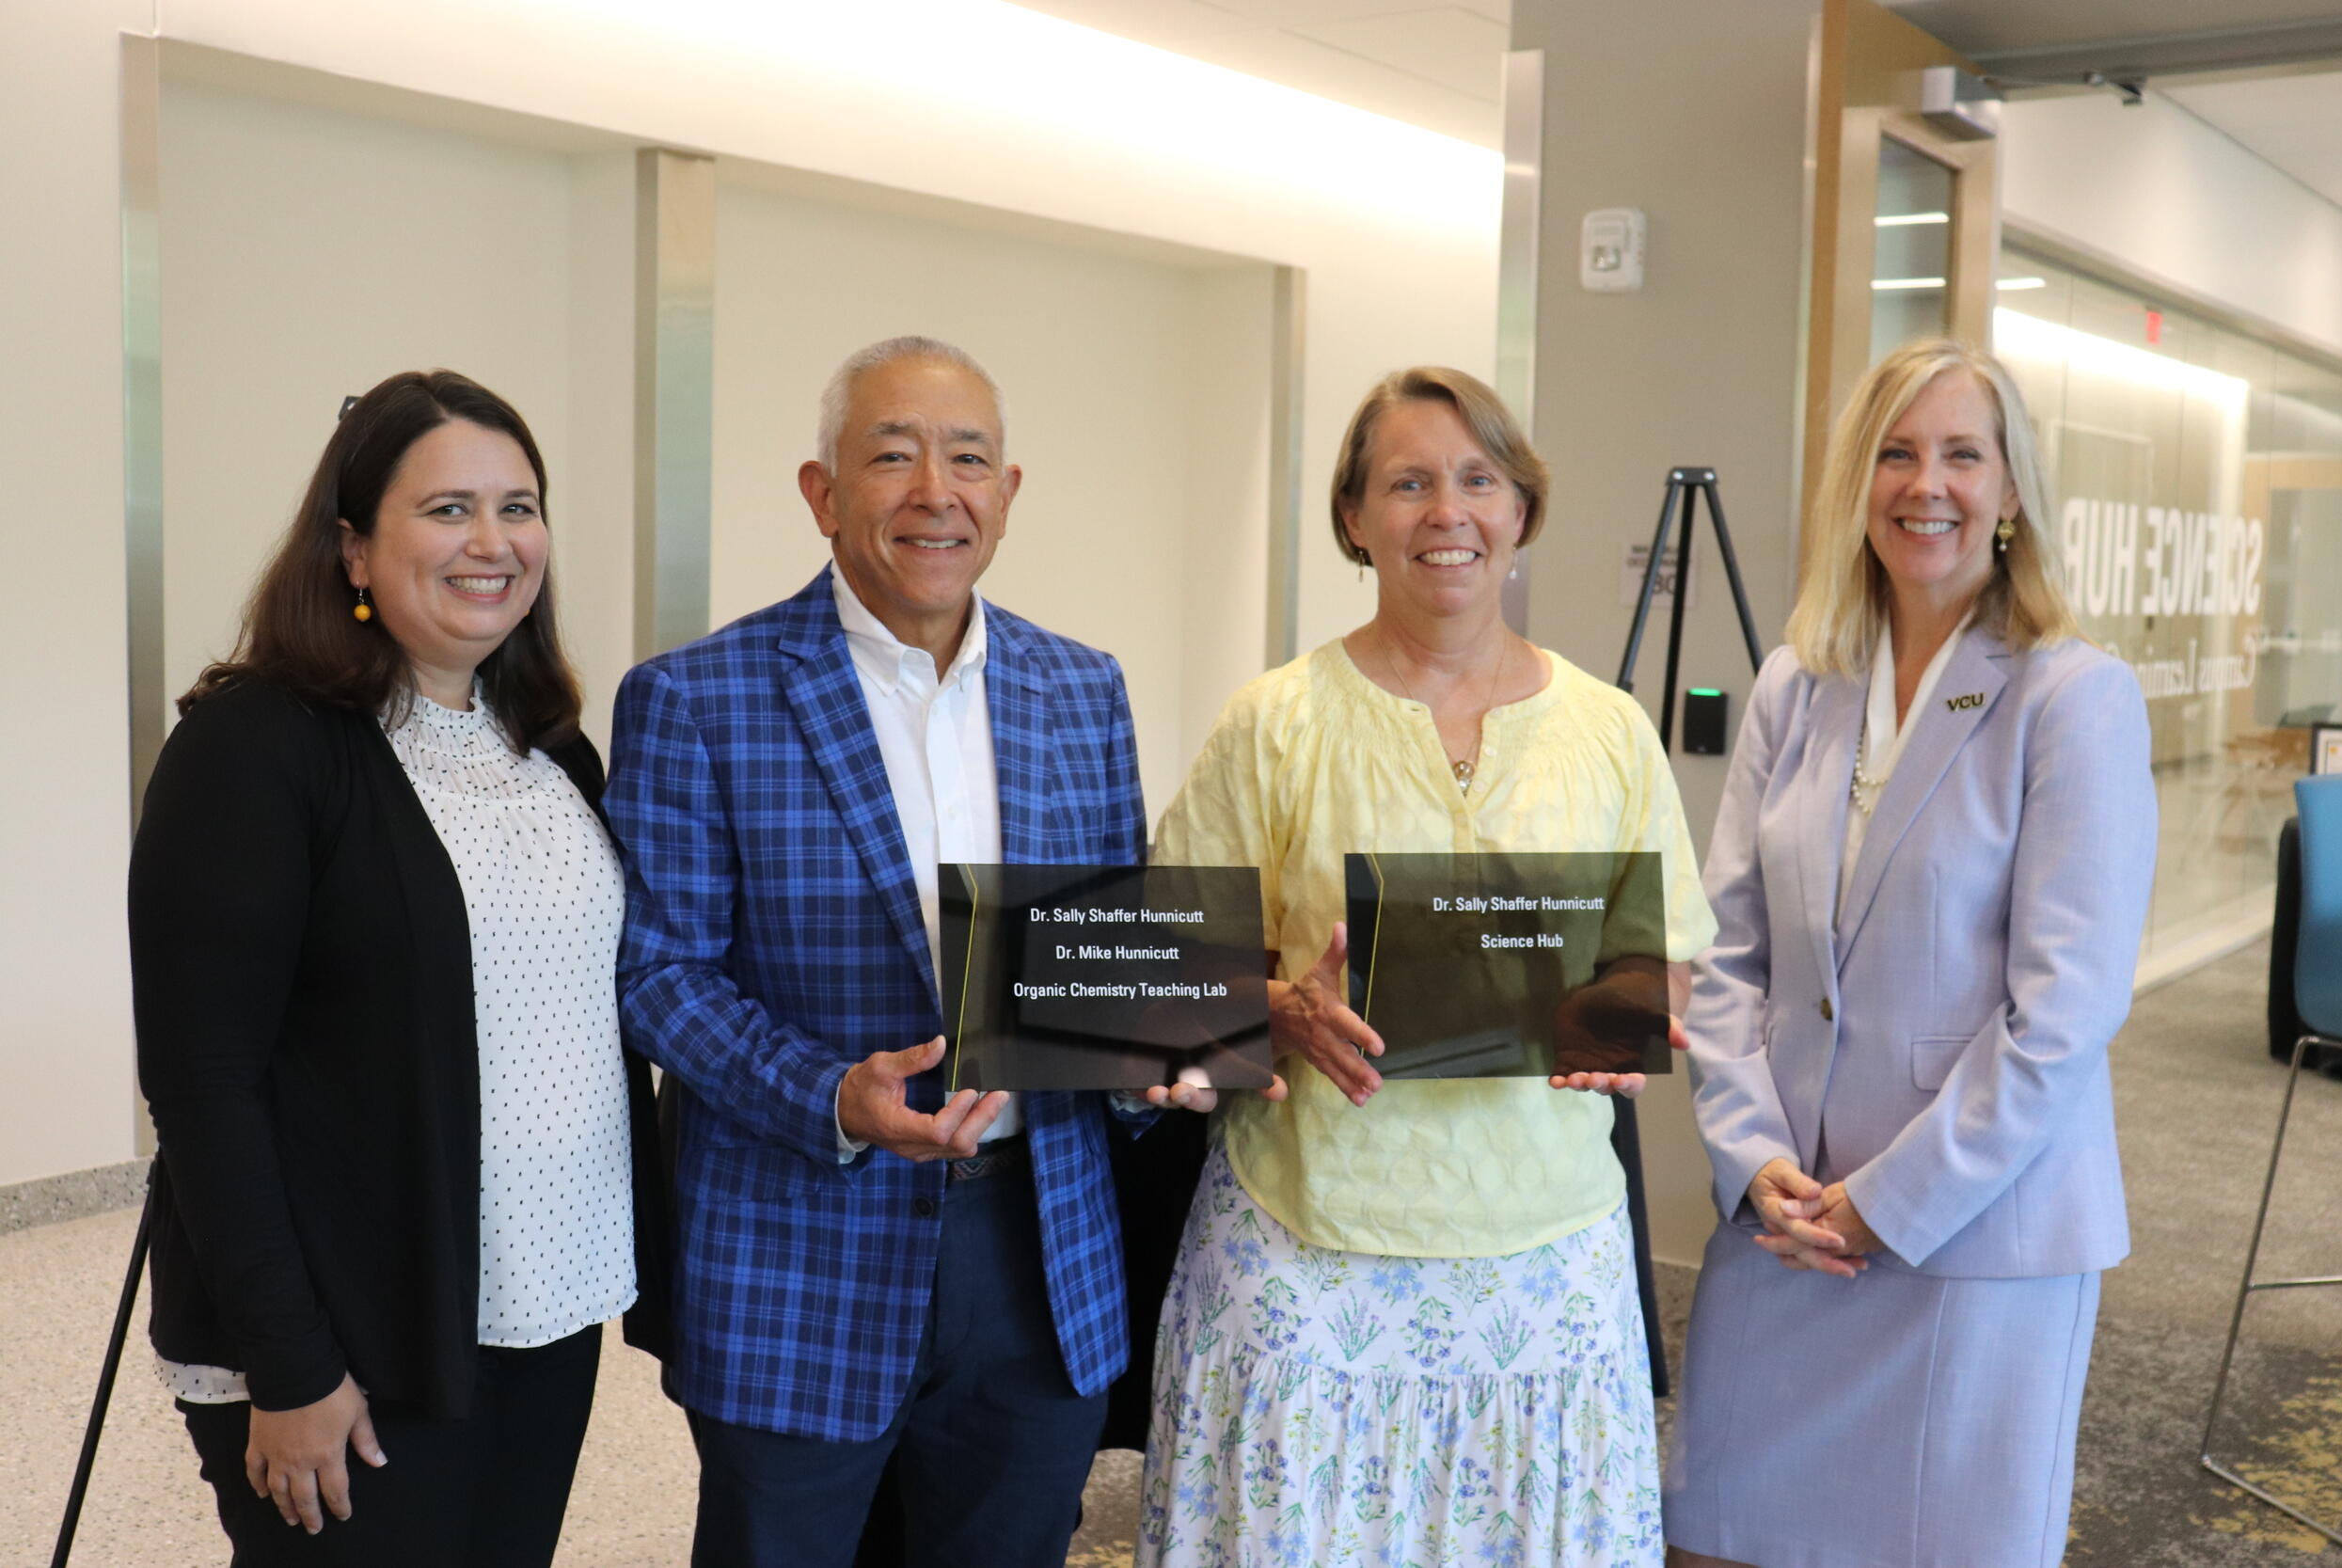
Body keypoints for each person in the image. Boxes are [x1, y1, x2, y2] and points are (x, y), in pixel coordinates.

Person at [604, 335, 1219, 1568]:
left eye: (968, 459)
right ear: (822, 492)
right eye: (892, 455)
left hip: (1036, 1247)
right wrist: (831, 1092)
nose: (936, 489)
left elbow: (1103, 946)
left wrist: (1164, 1054)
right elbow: (657, 971)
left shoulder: (1079, 687)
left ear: (1008, 494)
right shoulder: (696, 696)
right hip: (795, 1240)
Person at [1137, 366, 1717, 1567]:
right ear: (1356, 517)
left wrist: (1623, 1032)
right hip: (1307, 1250)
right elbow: (1156, 973)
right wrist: (1274, 1008)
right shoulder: (1275, 720)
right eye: (1407, 482)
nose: (1444, 511)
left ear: (1519, 510)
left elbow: (1665, 966)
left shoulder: (1611, 728)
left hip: (1544, 1265)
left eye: (1476, 479)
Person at [129, 370, 669, 1566]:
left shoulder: (548, 744)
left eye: (518, 506)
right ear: (353, 549)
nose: (493, 542)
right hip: (353, 1324)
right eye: (446, 509)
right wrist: (290, 1360)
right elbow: (204, 1081)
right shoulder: (256, 746)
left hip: (543, 1298)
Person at [1663, 340, 2157, 1568]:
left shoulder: (2072, 696)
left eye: (1960, 454)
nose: (1924, 483)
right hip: (1785, 1225)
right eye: (1895, 451)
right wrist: (1752, 1149)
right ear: (1857, 483)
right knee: (1725, 1535)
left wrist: (1890, 1203)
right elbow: (1726, 952)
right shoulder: (1798, 683)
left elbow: (2063, 1017)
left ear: (2012, 491)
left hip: (1973, 1236)